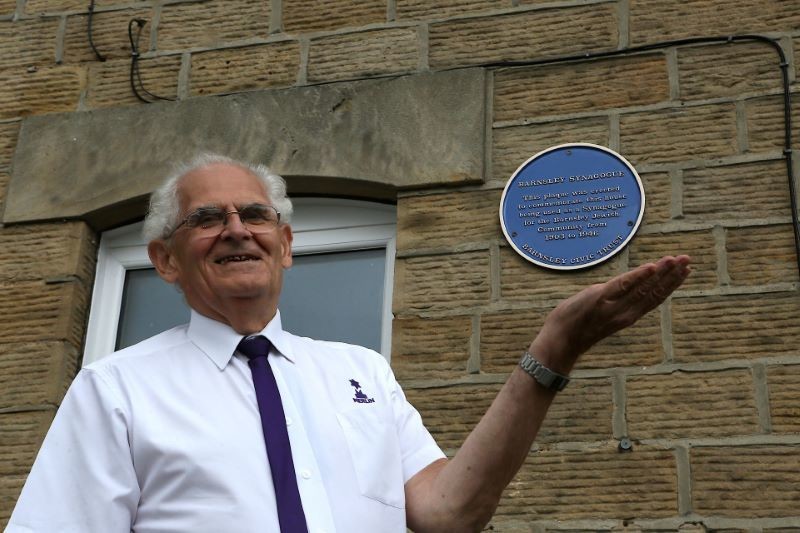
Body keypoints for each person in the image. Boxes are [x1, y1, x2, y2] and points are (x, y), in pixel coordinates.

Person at [6, 154, 691, 532]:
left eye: (256, 214)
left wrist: (553, 350)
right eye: (207, 218)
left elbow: (447, 511)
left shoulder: (360, 371)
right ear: (163, 260)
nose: (237, 228)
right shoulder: (116, 388)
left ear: (286, 245)